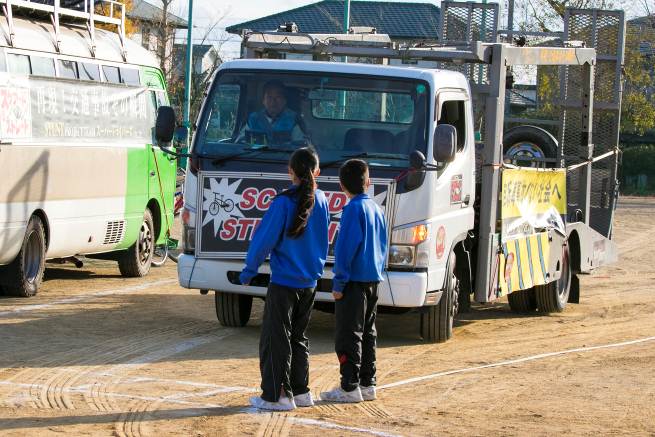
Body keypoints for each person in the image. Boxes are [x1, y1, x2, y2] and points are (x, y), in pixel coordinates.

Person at [240, 147, 329, 411]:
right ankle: (300, 391)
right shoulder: (322, 199)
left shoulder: (282, 202)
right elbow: (324, 240)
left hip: (284, 282)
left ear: (290, 172)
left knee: (275, 339)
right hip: (310, 281)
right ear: (317, 172)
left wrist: (249, 270)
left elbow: (263, 240)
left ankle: (277, 394)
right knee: (298, 337)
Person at [320, 159, 388, 403]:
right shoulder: (376, 209)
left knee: (348, 335)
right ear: (368, 181)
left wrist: (338, 283)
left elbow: (345, 249)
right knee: (368, 333)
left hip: (354, 282)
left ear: (341, 185)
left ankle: (349, 386)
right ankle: (367, 383)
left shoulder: (352, 210)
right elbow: (383, 245)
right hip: (373, 280)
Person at [240, 80, 306, 144]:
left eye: (278, 97)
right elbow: (240, 144)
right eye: (269, 97)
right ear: (263, 100)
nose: (273, 101)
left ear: (284, 101)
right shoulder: (253, 119)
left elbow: (299, 146)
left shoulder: (293, 120)